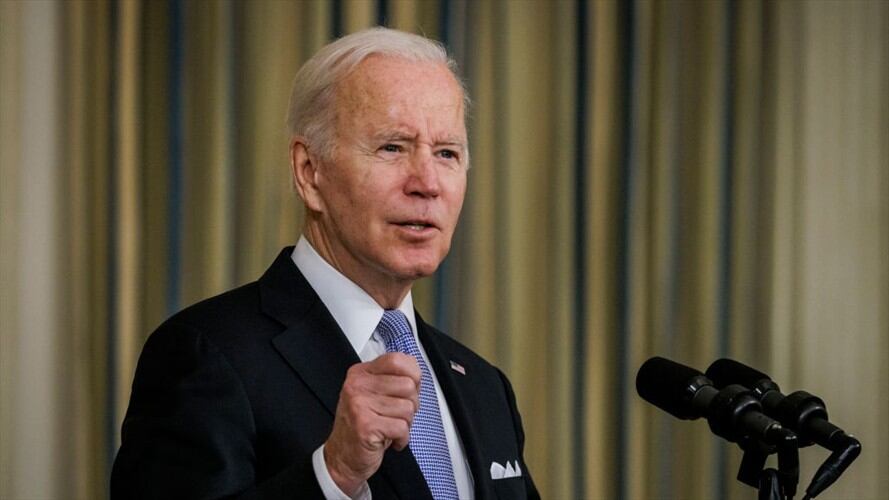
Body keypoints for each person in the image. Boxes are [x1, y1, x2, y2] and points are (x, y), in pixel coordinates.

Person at [111, 27, 539, 500]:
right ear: (309, 172)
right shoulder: (207, 354)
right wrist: (333, 474)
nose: (427, 183)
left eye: (446, 153)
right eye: (392, 147)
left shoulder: (484, 387)